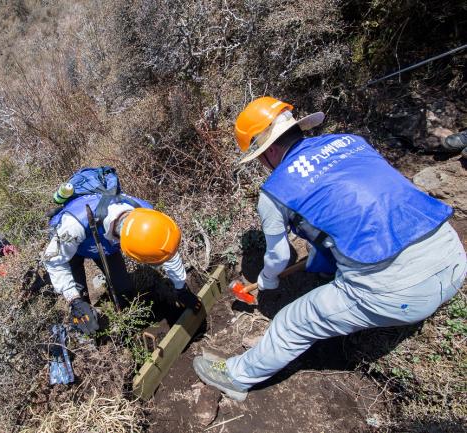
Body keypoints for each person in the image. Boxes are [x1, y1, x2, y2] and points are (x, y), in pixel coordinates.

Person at [193, 96, 467, 401]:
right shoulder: (351, 142)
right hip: (452, 256)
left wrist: (268, 280)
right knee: (334, 250)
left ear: (269, 150)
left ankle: (235, 377)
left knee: (291, 321)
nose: (261, 164)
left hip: (402, 293)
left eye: (258, 156)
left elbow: (279, 256)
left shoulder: (275, 193)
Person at [43, 175, 201, 336]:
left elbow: (165, 251)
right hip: (73, 248)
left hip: (105, 245)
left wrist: (181, 288)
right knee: (81, 300)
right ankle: (88, 336)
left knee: (123, 287)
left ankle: (126, 320)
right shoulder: (74, 225)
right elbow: (54, 261)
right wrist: (73, 299)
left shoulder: (147, 216)